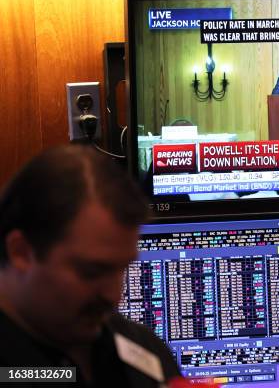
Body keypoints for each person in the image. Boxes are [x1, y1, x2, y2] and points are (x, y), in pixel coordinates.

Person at [0, 145, 181, 386]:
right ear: (21, 252)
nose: (114, 296)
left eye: (122, 269)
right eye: (92, 272)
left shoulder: (144, 348)